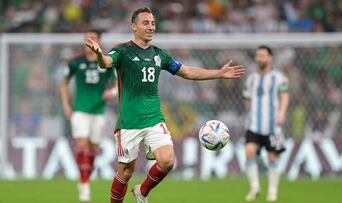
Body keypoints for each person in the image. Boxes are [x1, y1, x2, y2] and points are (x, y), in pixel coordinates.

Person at [85, 7, 245, 203]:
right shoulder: (123, 50)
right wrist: (100, 55)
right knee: (125, 172)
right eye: (146, 23)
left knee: (168, 161)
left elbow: (186, 71)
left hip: (154, 118)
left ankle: (142, 192)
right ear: (134, 27)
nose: (151, 27)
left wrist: (218, 73)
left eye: (153, 23)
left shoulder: (159, 55)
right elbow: (106, 63)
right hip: (129, 121)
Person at [60, 29, 117, 202]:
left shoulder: (106, 62)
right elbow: (64, 84)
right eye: (87, 38)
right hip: (80, 111)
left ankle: (85, 177)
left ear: (99, 41)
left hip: (99, 112)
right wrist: (66, 105)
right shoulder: (75, 62)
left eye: (93, 38)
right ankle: (84, 185)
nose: (89, 42)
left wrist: (112, 92)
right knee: (82, 145)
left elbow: (117, 84)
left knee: (93, 150)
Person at [242, 45, 289, 202]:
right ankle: (255, 187)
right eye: (257, 55)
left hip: (273, 126)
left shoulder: (279, 78)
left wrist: (281, 113)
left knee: (273, 158)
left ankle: (272, 191)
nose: (259, 58)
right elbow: (247, 100)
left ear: (270, 58)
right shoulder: (251, 79)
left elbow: (285, 96)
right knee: (249, 152)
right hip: (254, 124)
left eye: (262, 55)